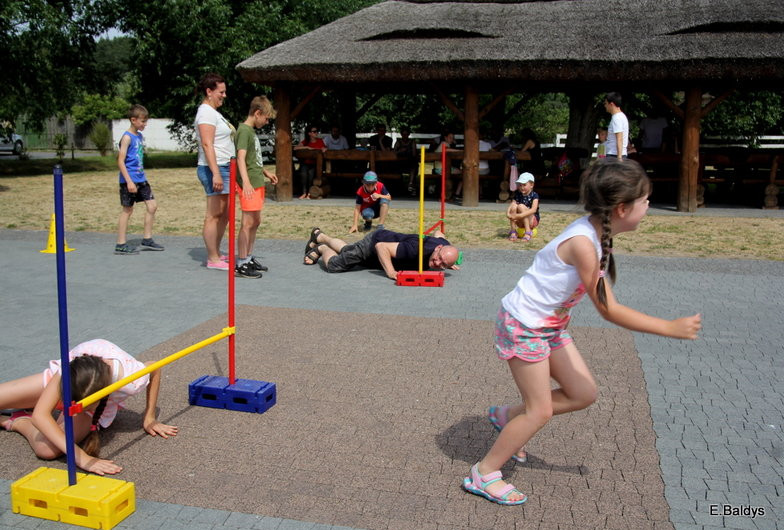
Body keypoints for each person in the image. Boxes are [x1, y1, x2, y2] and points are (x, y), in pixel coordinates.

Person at [463, 159, 701, 505]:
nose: (649, 207)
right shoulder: (584, 244)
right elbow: (609, 309)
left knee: (583, 393)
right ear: (622, 208)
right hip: (524, 326)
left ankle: (506, 416)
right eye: (646, 200)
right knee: (540, 410)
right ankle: (484, 473)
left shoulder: (599, 233)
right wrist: (668, 327)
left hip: (549, 327)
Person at [0, 339, 177, 476]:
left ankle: (15, 420)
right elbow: (41, 415)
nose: (68, 406)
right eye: (68, 401)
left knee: (46, 449)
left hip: (90, 405)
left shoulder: (130, 379)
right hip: (67, 382)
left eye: (75, 403)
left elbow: (155, 367)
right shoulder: (69, 369)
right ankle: (35, 402)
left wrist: (149, 417)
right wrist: (56, 398)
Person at [303, 227, 460, 280]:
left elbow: (440, 233)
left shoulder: (442, 246)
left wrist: (447, 262)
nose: (438, 263)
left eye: (443, 264)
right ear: (437, 248)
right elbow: (381, 247)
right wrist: (391, 272)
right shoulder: (414, 249)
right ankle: (322, 248)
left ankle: (319, 235)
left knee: (346, 250)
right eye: (439, 258)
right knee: (335, 265)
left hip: (384, 248)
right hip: (373, 245)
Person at [234, 96, 279, 279]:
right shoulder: (244, 131)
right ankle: (242, 262)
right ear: (257, 113)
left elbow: (253, 159)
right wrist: (245, 182)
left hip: (256, 182)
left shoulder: (250, 132)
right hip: (249, 185)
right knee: (247, 223)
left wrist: (265, 173)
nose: (267, 122)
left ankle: (249, 257)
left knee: (256, 222)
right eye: (266, 118)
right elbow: (240, 158)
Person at [195, 72, 235, 270]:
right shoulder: (205, 113)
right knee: (214, 214)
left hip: (225, 166)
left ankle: (217, 252)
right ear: (209, 91)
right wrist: (216, 173)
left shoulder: (213, 112)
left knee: (224, 214)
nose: (224, 95)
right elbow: (206, 143)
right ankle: (212, 258)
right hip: (214, 168)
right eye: (221, 92)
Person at [114, 104, 164, 255]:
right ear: (133, 120)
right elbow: (120, 161)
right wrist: (129, 181)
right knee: (127, 210)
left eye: (146, 121)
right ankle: (121, 243)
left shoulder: (139, 136)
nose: (145, 124)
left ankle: (147, 238)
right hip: (129, 180)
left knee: (152, 206)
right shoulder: (127, 137)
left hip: (141, 178)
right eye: (142, 121)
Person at [294, 125, 326, 199]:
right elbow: (296, 148)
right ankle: (304, 192)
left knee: (311, 176)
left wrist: (324, 149)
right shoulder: (306, 142)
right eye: (314, 131)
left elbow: (325, 148)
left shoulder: (320, 141)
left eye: (316, 131)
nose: (316, 133)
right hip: (306, 163)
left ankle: (309, 193)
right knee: (303, 174)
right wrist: (307, 147)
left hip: (315, 164)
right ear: (309, 133)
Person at [506, 172, 540, 242]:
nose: (522, 187)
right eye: (520, 185)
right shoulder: (518, 194)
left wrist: (519, 215)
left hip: (532, 221)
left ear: (531, 185)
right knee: (514, 206)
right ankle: (513, 231)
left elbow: (534, 210)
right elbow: (512, 204)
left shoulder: (534, 195)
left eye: (524, 185)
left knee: (521, 206)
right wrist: (508, 213)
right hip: (520, 221)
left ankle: (528, 232)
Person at [604, 92, 629, 160]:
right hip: (616, 154)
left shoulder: (617, 118)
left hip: (614, 155)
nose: (605, 106)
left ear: (611, 104)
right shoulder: (621, 116)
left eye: (606, 103)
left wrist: (619, 158)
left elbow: (619, 138)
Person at [393, 126, 418, 195]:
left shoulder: (412, 142)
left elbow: (414, 154)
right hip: (400, 162)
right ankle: (401, 188)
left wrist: (409, 150)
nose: (405, 136)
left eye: (406, 134)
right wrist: (400, 151)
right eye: (403, 134)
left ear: (408, 134)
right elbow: (393, 153)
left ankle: (411, 184)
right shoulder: (398, 142)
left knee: (414, 166)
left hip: (410, 161)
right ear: (401, 134)